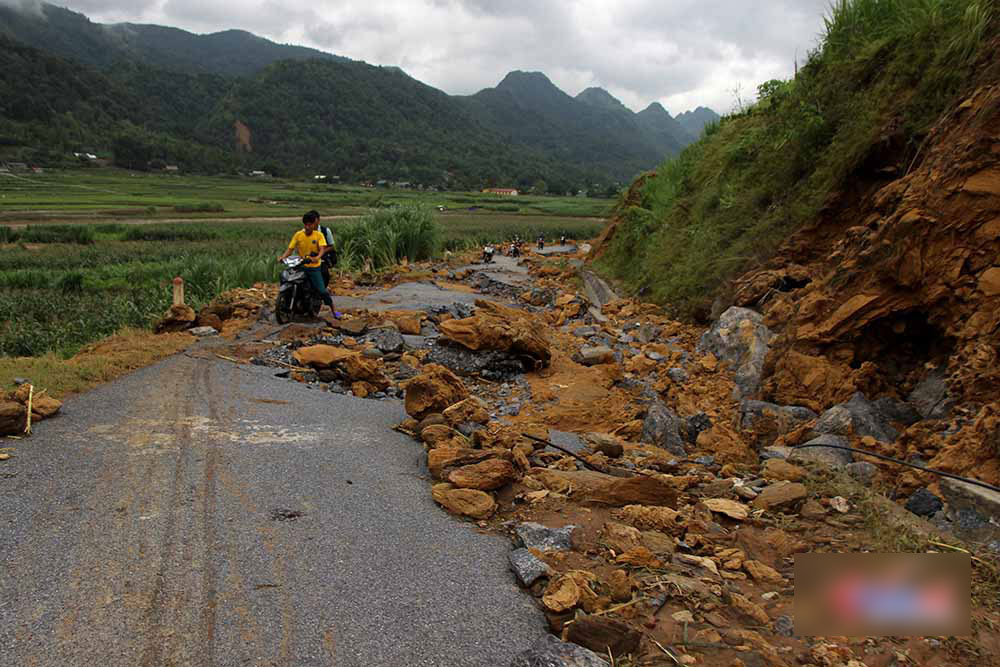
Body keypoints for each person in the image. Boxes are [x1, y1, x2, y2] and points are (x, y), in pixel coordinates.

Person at [277, 210, 340, 319]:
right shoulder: (298, 235)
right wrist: (283, 257)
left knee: (322, 290)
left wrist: (317, 258)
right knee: (285, 276)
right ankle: (288, 301)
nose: (308, 226)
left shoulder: (319, 235)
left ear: (315, 223)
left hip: (314, 267)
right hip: (301, 265)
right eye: (306, 224)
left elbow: (322, 249)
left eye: (310, 224)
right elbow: (290, 249)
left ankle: (334, 310)